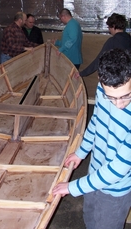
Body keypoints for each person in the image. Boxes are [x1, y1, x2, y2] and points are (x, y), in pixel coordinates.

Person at [52, 48, 131, 229]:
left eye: (126, 96)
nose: (118, 105)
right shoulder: (104, 90)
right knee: (90, 220)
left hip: (115, 191)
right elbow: (96, 120)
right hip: (94, 173)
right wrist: (81, 152)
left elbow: (118, 169)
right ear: (100, 81)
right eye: (111, 97)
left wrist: (72, 187)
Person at [77, 13, 131, 78]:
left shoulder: (112, 41)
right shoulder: (128, 38)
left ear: (113, 26)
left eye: (109, 27)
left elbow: (99, 60)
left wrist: (82, 73)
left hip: (116, 77)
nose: (109, 30)